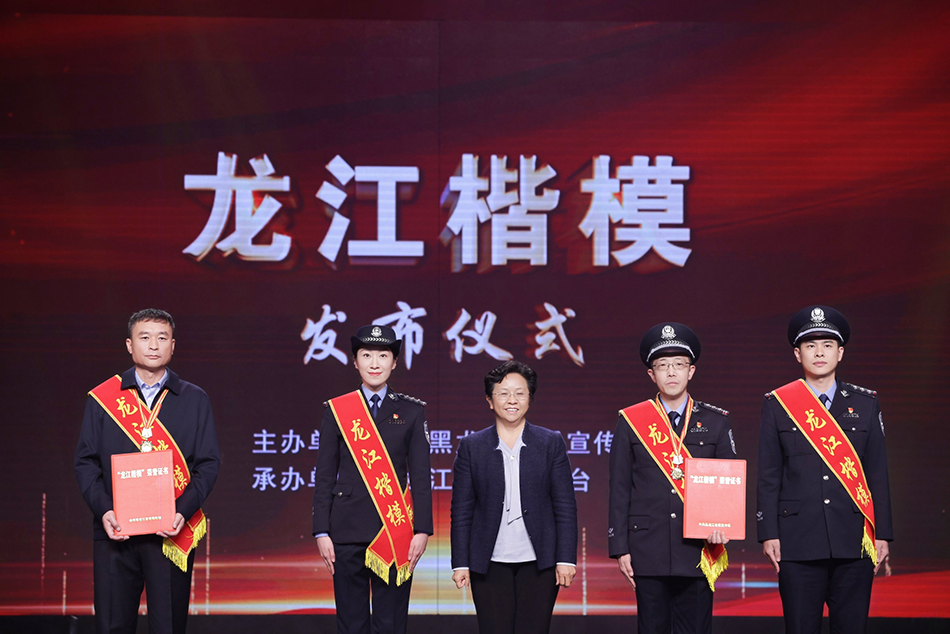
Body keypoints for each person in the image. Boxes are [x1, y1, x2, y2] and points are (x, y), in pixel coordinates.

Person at [74, 309, 220, 634]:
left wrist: (182, 511)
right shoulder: (103, 399)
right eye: (144, 337)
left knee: (168, 626)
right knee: (112, 625)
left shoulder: (195, 399)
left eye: (162, 337)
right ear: (129, 345)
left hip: (170, 532)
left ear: (173, 346)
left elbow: (208, 464)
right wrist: (105, 510)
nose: (153, 345)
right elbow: (85, 462)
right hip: (115, 532)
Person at [757, 305, 892, 634]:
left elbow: (877, 473)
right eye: (810, 345)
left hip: (854, 540)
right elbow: (769, 475)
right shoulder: (778, 404)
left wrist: (883, 534)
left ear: (840, 353)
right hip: (797, 542)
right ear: (797, 353)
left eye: (828, 345)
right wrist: (768, 533)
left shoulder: (865, 403)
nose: (819, 352)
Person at [608, 323, 735, 634]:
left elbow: (729, 483)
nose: (671, 372)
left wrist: (724, 526)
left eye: (679, 364)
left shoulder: (716, 421)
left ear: (691, 371)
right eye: (662, 365)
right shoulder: (632, 421)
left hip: (698, 548)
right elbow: (620, 488)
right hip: (646, 547)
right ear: (652, 374)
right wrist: (620, 547)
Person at [312, 324, 432, 634]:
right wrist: (321, 530)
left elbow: (421, 476)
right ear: (355, 362)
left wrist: (422, 530)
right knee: (351, 623)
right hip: (346, 530)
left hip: (393, 530)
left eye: (383, 355)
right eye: (366, 355)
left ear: (395, 362)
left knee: (390, 623)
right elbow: (324, 475)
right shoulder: (337, 410)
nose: (375, 363)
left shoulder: (412, 411)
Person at [450, 360, 577, 634]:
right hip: (489, 561)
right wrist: (460, 563)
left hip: (540, 562)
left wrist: (566, 558)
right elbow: (461, 511)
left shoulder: (550, 442)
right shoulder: (472, 447)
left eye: (520, 393)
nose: (512, 400)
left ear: (530, 398)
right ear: (489, 400)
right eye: (503, 393)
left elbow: (565, 506)